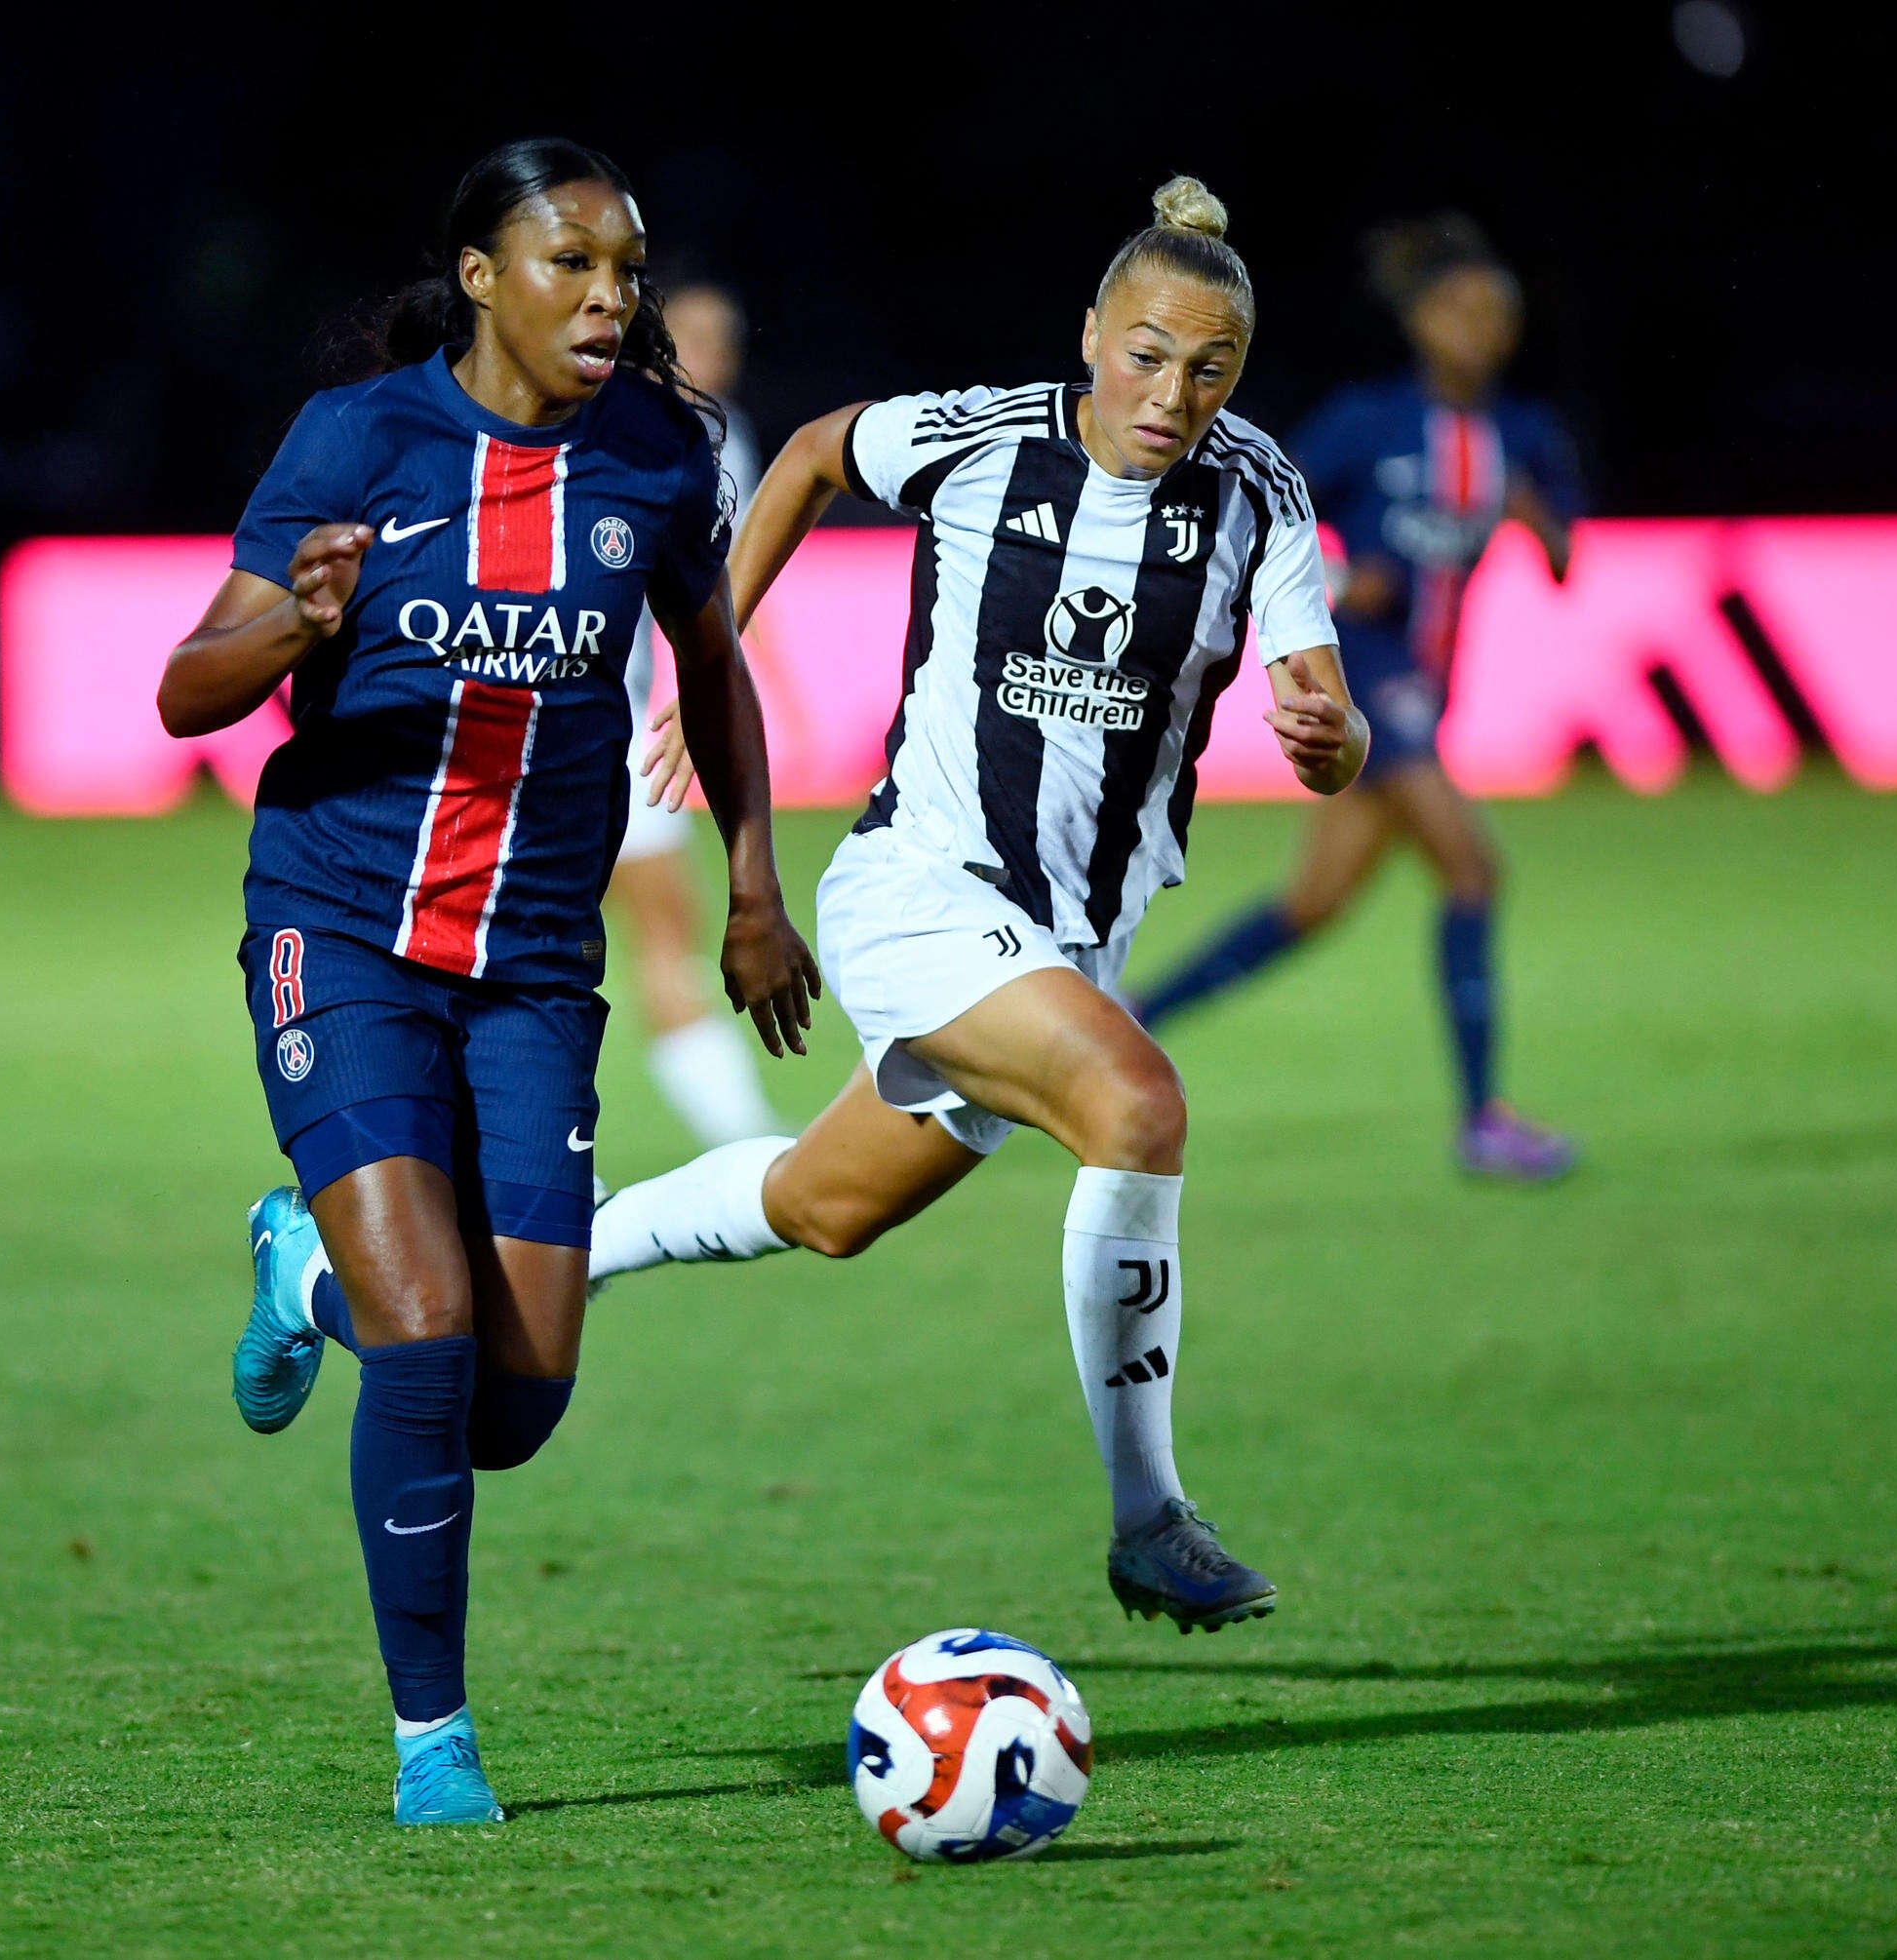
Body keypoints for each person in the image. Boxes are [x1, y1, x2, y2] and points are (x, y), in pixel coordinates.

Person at [592, 178, 1363, 1636]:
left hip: (1066, 948)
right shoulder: (980, 439)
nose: (1171, 391)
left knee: (822, 1209)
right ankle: (1151, 1518)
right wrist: (715, 652)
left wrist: (1334, 739)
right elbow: (816, 452)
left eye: (1210, 366)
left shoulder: (1258, 487)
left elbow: (1319, 700)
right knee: (1139, 1106)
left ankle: (563, 1247)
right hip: (920, 892)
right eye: (1145, 352)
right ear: (1090, 332)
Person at [162, 139, 819, 1825]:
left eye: (629, 268)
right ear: (480, 278)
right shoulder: (359, 440)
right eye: (572, 266)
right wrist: (292, 630)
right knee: (434, 1339)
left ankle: (302, 1273)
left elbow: (713, 666)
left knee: (515, 1407)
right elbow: (186, 692)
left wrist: (754, 884)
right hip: (347, 928)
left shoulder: (660, 454)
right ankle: (431, 1743)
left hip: (534, 965)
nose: (612, 299)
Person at [1131, 214, 1580, 1179]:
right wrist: (1337, 587)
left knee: (1312, 903)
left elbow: (1560, 563)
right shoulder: (1368, 423)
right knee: (1472, 872)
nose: (1479, 327)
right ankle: (1483, 1122)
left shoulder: (1522, 434)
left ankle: (1127, 1022)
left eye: (1494, 312)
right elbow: (1250, 508)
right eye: (1458, 308)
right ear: (1419, 321)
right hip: (1367, 681)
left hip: (1429, 689)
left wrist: (1531, 510)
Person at [607, 281, 784, 1147]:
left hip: (618, 719)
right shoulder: (662, 436)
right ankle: (745, 1142)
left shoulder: (702, 432)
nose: (712, 350)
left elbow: (729, 594)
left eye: (724, 335)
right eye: (694, 334)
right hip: (605, 728)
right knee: (664, 933)